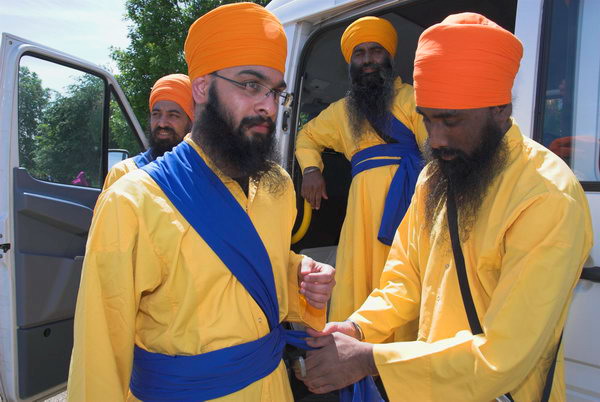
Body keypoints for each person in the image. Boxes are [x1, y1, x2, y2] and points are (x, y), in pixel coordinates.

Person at [297, 13, 593, 401]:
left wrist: (369, 359)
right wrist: (357, 328)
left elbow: (504, 358)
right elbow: (403, 281)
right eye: (427, 119)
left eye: (449, 120)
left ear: (500, 109)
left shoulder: (547, 195)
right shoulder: (435, 176)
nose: (434, 140)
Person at [67, 3, 335, 401]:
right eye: (250, 84)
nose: (267, 105)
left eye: (276, 91)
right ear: (202, 88)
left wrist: (300, 273)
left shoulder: (278, 185)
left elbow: (253, 269)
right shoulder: (133, 200)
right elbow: (99, 352)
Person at [295, 16, 427, 335]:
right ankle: (356, 357)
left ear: (389, 58)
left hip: (409, 205)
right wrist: (311, 170)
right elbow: (306, 136)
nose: (367, 59)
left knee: (404, 280)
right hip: (361, 211)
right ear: (351, 63)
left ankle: (397, 364)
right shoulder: (341, 111)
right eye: (360, 53)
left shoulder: (414, 98)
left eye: (375, 51)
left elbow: (433, 152)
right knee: (358, 282)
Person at [102, 73, 194, 189]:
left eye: (173, 115)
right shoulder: (124, 173)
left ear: (191, 121)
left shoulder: (206, 175)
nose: (162, 123)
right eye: (156, 114)